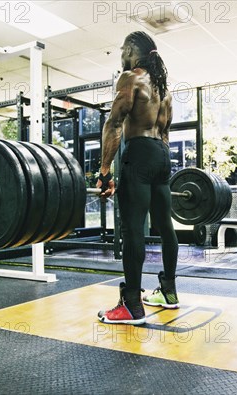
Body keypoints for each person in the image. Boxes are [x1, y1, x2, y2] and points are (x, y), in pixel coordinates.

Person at [97, 31, 179, 326]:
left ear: (132, 50)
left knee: (133, 229)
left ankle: (132, 304)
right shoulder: (164, 90)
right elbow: (166, 133)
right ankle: (169, 292)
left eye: (123, 49)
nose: (121, 55)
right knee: (166, 227)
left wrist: (105, 171)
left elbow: (114, 123)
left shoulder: (130, 78)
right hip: (161, 155)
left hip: (139, 152)